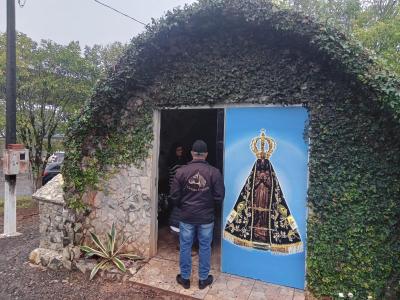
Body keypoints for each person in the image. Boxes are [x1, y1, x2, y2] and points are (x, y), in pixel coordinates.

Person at [170, 140, 225, 290]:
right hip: (206, 217)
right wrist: (210, 208)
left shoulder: (181, 171)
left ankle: (185, 279)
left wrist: (183, 207)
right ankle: (203, 279)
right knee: (205, 246)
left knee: (185, 246)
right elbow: (219, 196)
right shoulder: (214, 172)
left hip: (186, 216)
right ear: (206, 154)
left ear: (192, 153)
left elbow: (174, 195)